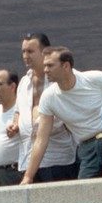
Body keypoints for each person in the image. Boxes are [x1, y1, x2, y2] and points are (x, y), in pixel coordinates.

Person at [21, 47, 102, 183]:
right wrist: (28, 177)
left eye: (50, 65)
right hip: (86, 149)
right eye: (45, 65)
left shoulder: (96, 79)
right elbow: (41, 139)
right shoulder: (49, 97)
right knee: (84, 195)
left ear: (66, 66)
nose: (45, 69)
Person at [15, 33, 77, 182]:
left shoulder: (59, 81)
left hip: (57, 159)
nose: (25, 55)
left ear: (45, 52)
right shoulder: (24, 82)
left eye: (30, 51)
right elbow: (18, 110)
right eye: (23, 51)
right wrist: (15, 123)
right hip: (27, 160)